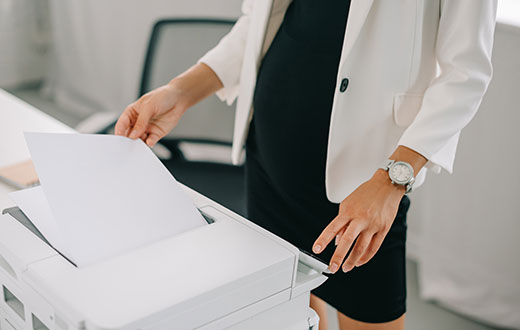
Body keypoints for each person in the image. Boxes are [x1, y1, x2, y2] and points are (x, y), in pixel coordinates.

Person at [115, 1, 497, 329]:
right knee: (291, 315)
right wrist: (179, 92)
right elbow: (258, 24)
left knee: (370, 309)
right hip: (270, 157)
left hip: (365, 182)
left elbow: (466, 74)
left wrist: (393, 179)